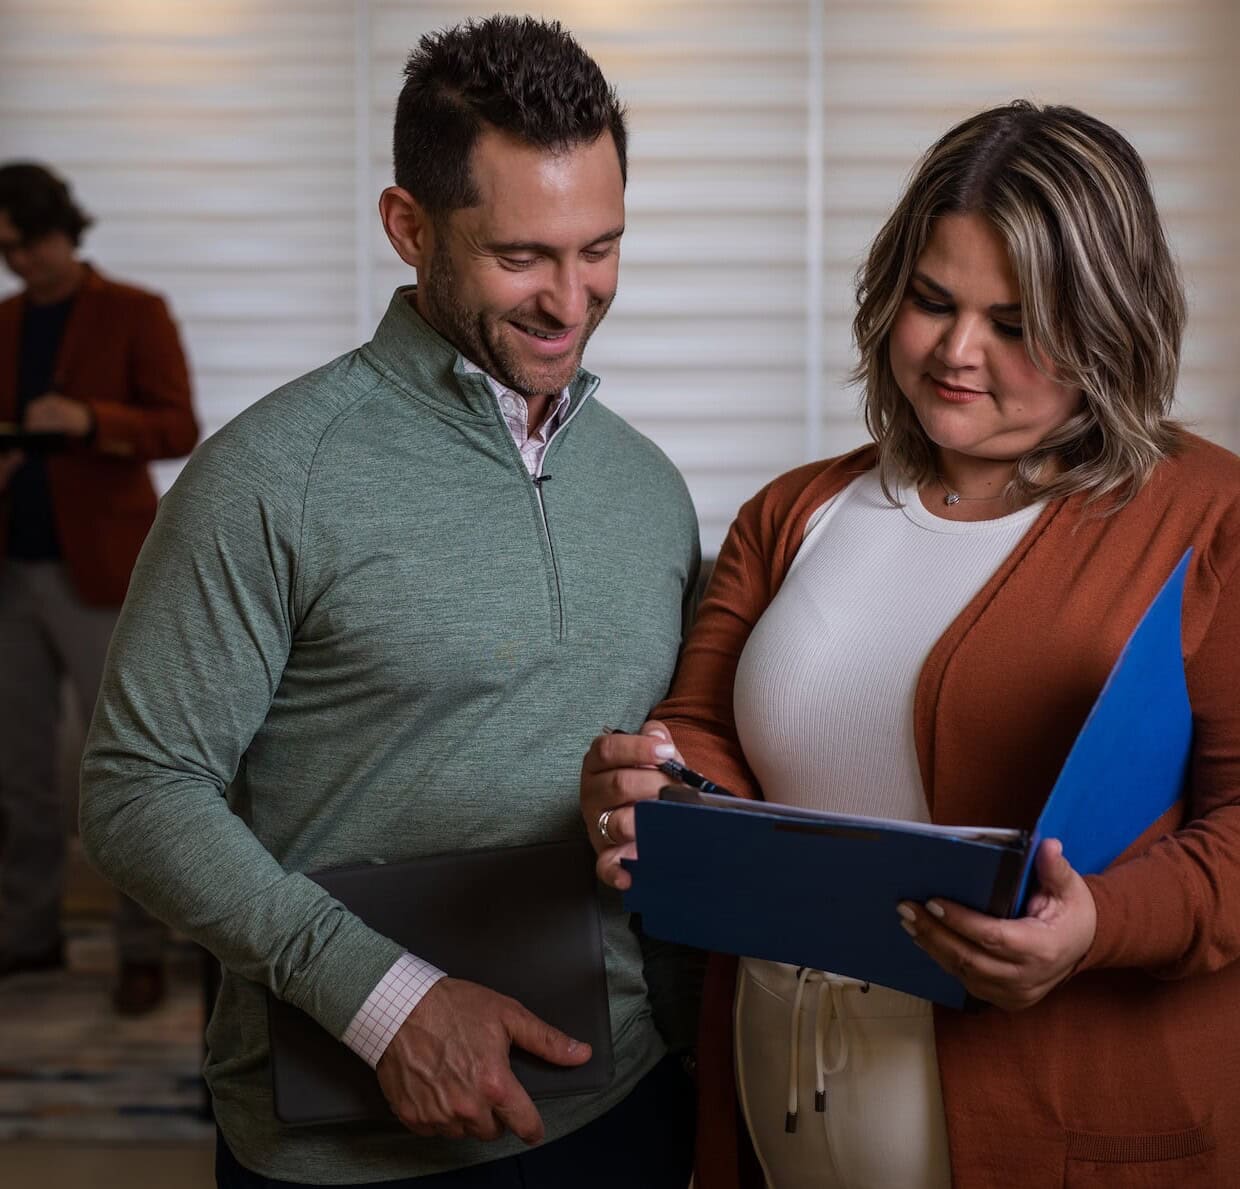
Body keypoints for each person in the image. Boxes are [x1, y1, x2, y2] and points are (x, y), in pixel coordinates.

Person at [80, 16, 700, 1189]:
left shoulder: (649, 488)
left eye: (601, 248)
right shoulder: (267, 476)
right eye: (523, 256)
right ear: (408, 227)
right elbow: (135, 788)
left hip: (625, 1101)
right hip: (346, 1134)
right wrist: (387, 1005)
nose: (571, 301)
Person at [582, 100, 1240, 1188]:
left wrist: (1097, 925)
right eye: (932, 301)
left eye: (1017, 323)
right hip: (780, 1111)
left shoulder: (1206, 518)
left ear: (1109, 325)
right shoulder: (795, 511)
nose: (955, 352)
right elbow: (703, 726)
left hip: (1068, 1122)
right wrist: (653, 784)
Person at [0, 162, 197, 1014]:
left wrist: (87, 421)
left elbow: (178, 425)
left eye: (27, 244)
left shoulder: (133, 311)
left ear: (62, 231)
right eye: (4, 249)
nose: (18, 263)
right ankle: (27, 931)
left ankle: (141, 948)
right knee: (20, 771)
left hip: (104, 574)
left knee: (117, 767)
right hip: (12, 569)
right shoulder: (3, 322)